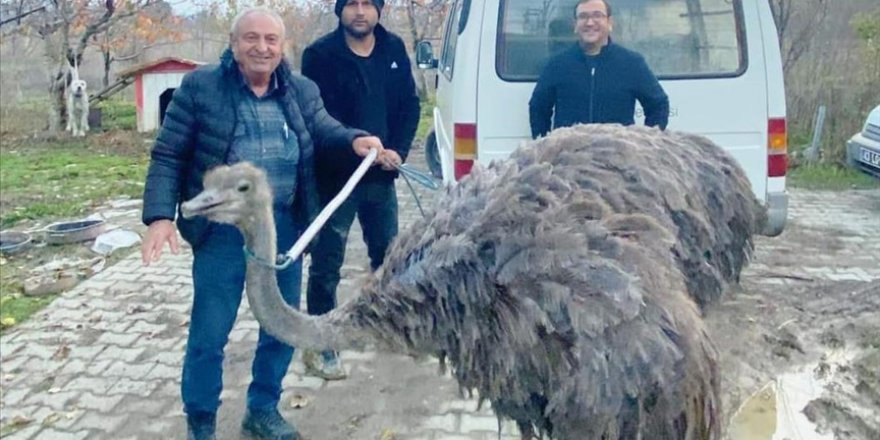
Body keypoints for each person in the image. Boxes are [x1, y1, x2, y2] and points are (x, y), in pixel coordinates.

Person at [140, 7, 386, 440]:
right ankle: (201, 423)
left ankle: (262, 409)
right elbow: (169, 154)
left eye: (271, 40)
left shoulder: (300, 89)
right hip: (222, 234)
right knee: (209, 335)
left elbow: (323, 127)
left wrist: (353, 139)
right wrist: (160, 216)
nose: (262, 48)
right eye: (251, 39)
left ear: (282, 46)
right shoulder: (201, 88)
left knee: (281, 325)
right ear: (234, 45)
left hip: (282, 229)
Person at [299, 0, 420, 379]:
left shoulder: (394, 49)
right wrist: (348, 147)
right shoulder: (319, 55)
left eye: (369, 4)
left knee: (388, 256)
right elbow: (315, 119)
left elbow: (409, 105)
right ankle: (321, 343)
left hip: (380, 176)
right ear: (340, 11)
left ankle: (389, 324)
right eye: (352, 3)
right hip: (336, 179)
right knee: (327, 263)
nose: (360, 11)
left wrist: (397, 148)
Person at [529, 0, 669, 138]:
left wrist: (645, 143)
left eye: (597, 15)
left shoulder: (632, 63)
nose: (590, 23)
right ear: (575, 25)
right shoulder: (557, 65)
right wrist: (545, 147)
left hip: (617, 157)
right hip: (570, 157)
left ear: (609, 22)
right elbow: (538, 108)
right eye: (583, 16)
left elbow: (658, 105)